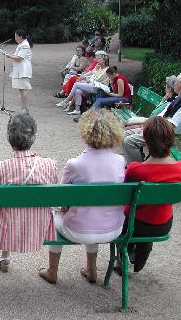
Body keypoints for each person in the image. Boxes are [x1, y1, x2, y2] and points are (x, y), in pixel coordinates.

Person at [38, 109, 125, 284]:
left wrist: (65, 210)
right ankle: (91, 269)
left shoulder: (75, 164)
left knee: (55, 217)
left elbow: (62, 201)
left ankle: (52, 271)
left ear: (86, 132)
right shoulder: (120, 161)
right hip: (113, 229)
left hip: (79, 231)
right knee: (93, 212)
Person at [0, 112, 57, 272]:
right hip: (36, 229)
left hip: (4, 232)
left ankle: (4, 255)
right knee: (14, 210)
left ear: (9, 136)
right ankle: (4, 256)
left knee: (4, 211)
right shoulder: (50, 165)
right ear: (34, 136)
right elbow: (52, 200)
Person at [119, 117, 181, 274]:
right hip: (162, 224)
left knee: (129, 218)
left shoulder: (136, 169)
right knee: (151, 210)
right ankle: (143, 249)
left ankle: (123, 258)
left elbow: (126, 196)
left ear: (146, 141)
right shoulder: (180, 168)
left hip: (133, 224)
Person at [123, 72, 181, 164]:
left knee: (129, 141)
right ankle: (136, 163)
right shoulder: (180, 98)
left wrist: (150, 126)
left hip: (163, 134)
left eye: (176, 81)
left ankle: (138, 170)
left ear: (180, 84)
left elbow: (170, 125)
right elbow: (161, 114)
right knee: (125, 134)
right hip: (157, 128)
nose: (174, 84)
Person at [56, 51, 111, 115]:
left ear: (104, 60)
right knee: (78, 91)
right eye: (97, 58)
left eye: (99, 58)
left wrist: (86, 79)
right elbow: (91, 73)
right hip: (92, 85)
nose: (97, 60)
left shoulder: (106, 70)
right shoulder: (98, 67)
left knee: (77, 84)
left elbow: (97, 80)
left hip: (98, 87)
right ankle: (77, 110)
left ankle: (67, 100)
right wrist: (83, 76)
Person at [5, 29, 33, 112]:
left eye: (16, 36)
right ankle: (23, 107)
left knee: (22, 88)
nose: (15, 38)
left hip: (23, 70)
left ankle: (24, 108)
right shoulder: (21, 44)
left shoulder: (24, 45)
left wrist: (8, 56)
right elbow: (17, 56)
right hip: (19, 69)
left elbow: (19, 58)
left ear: (20, 36)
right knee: (20, 88)